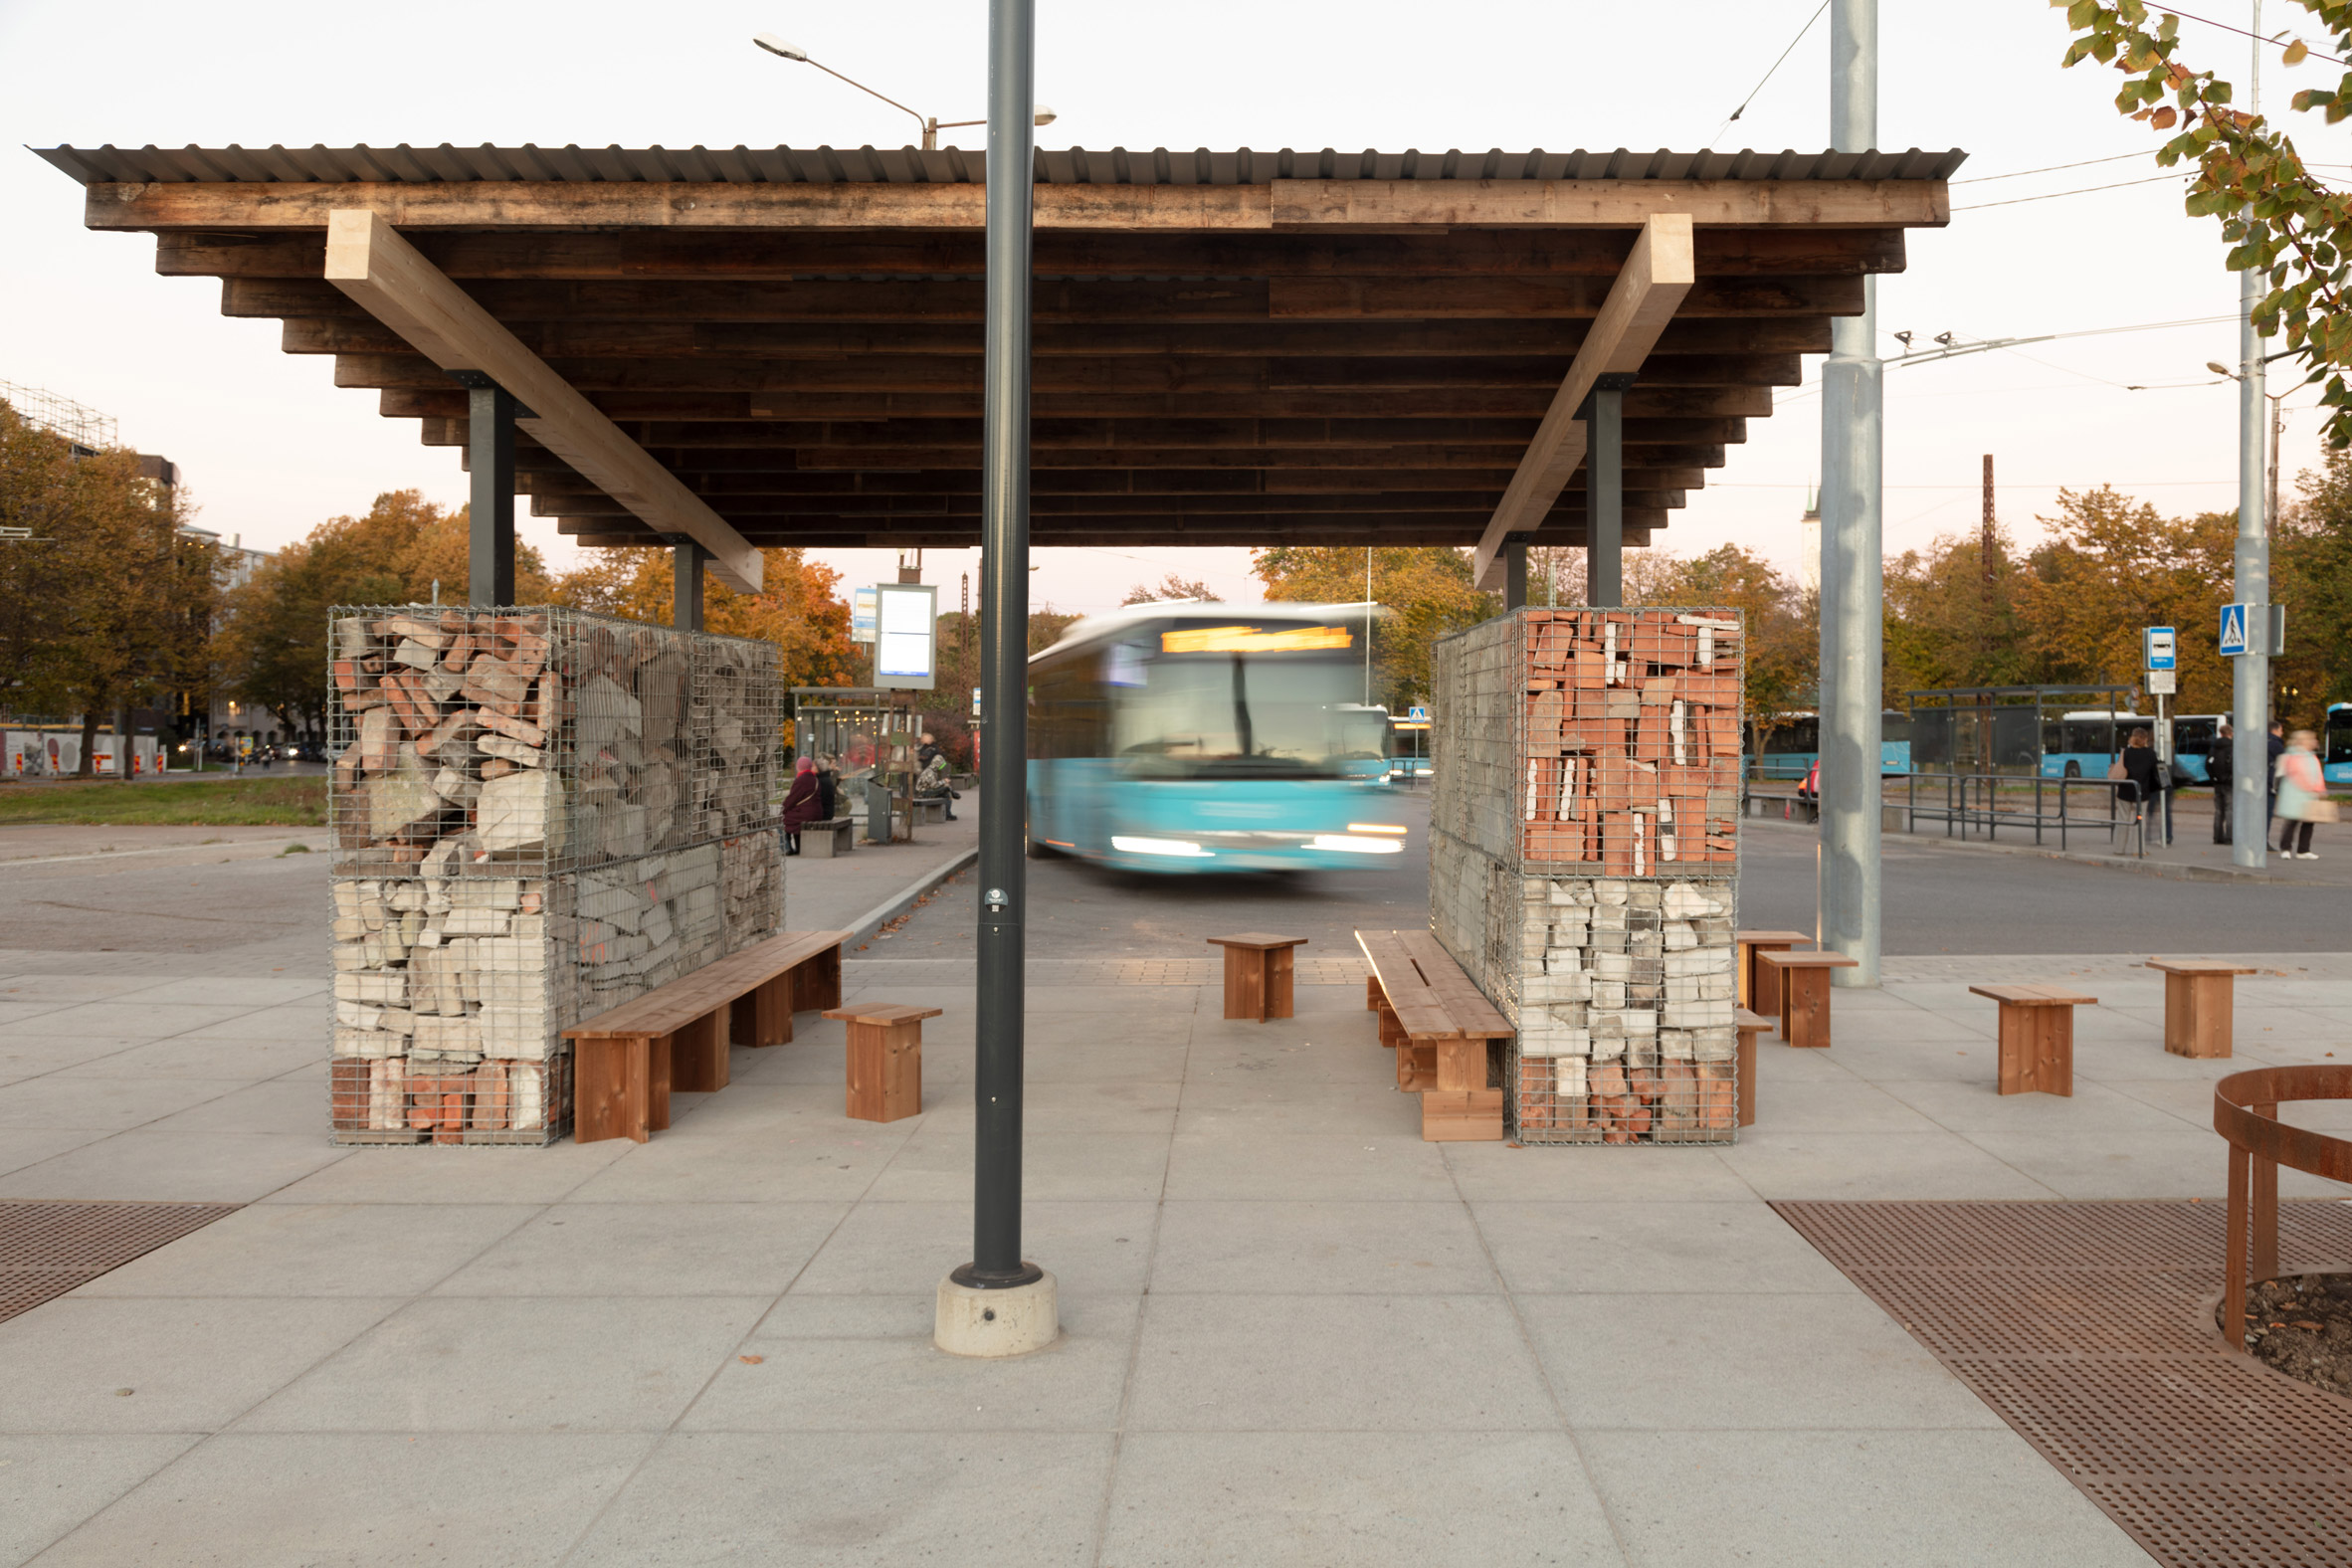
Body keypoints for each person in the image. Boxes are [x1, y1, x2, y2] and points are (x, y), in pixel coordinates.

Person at [2275, 728, 2328, 860]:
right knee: (2292, 822)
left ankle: (2303, 850)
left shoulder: (2312, 756)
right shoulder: (2292, 756)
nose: (2315, 742)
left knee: (2308, 823)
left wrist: (2320, 789)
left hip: (2309, 795)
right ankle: (2286, 849)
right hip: (2296, 794)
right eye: (2312, 739)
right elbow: (2296, 775)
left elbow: (2318, 774)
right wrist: (2312, 788)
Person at [2119, 726, 2168, 845]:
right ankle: (2138, 849)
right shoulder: (2150, 754)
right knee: (2140, 819)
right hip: (2142, 792)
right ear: (2145, 739)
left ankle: (2119, 849)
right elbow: (2157, 771)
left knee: (2122, 820)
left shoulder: (2126, 752)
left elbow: (2120, 769)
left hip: (2125, 791)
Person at [778, 755, 822, 854]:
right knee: (793, 819)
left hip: (806, 814)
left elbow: (792, 799)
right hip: (815, 813)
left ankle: (786, 848)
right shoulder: (814, 779)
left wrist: (782, 811)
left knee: (781, 820)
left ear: (799, 767)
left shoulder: (801, 780)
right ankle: (799, 848)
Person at [2207, 723, 2235, 844]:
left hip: (2217, 783)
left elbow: (2208, 764)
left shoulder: (2214, 747)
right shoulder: (2232, 747)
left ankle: (2217, 837)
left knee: (2218, 810)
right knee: (2230, 809)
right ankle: (2230, 837)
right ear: (2230, 734)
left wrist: (2213, 778)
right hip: (2229, 782)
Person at [914, 751, 959, 822]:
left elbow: (933, 785)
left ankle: (952, 796)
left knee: (946, 790)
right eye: (940, 765)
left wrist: (943, 783)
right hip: (923, 792)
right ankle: (948, 814)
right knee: (946, 792)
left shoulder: (932, 771)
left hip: (927, 790)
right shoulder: (930, 772)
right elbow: (934, 785)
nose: (940, 767)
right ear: (937, 764)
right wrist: (944, 781)